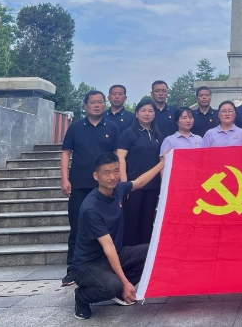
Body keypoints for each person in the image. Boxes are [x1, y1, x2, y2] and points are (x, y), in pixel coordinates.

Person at [71, 153, 165, 320]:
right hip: (87, 264)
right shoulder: (91, 208)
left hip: (112, 256)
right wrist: (125, 282)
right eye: (107, 173)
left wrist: (163, 163)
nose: (113, 177)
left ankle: (120, 292)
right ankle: (82, 297)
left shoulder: (117, 190)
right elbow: (108, 247)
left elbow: (139, 182)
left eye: (116, 171)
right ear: (96, 176)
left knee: (151, 253)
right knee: (111, 286)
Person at [60, 90, 119, 286]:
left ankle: (106, 266)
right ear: (85, 105)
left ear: (105, 104)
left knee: (107, 227)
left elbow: (116, 156)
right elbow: (66, 153)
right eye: (93, 102)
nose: (96, 105)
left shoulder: (112, 127)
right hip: (79, 184)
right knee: (77, 226)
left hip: (105, 187)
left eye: (100, 102)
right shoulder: (76, 127)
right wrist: (64, 179)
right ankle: (73, 268)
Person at [115, 98, 162, 247]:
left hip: (152, 186)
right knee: (131, 223)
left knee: (147, 223)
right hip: (133, 186)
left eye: (150, 111)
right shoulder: (128, 134)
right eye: (143, 110)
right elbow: (121, 159)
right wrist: (125, 185)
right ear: (136, 113)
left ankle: (144, 257)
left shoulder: (157, 135)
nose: (147, 114)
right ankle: (129, 256)